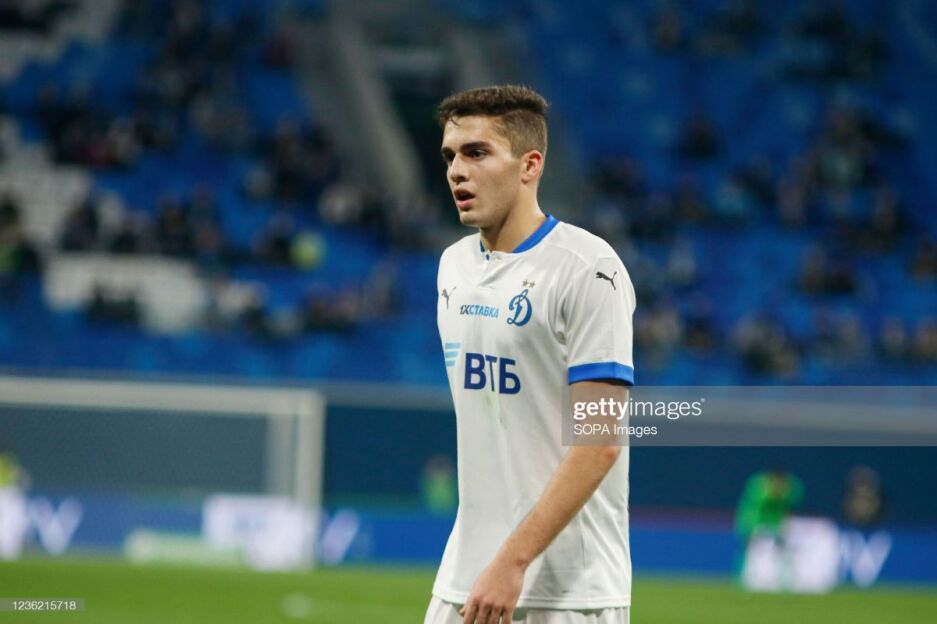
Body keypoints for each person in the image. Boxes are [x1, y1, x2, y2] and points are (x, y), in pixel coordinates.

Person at [426, 85, 636, 624]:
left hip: (567, 592)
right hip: (466, 577)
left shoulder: (589, 269)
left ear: (530, 165)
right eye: (450, 156)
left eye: (477, 153)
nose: (457, 171)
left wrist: (513, 561)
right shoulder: (452, 268)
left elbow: (600, 442)